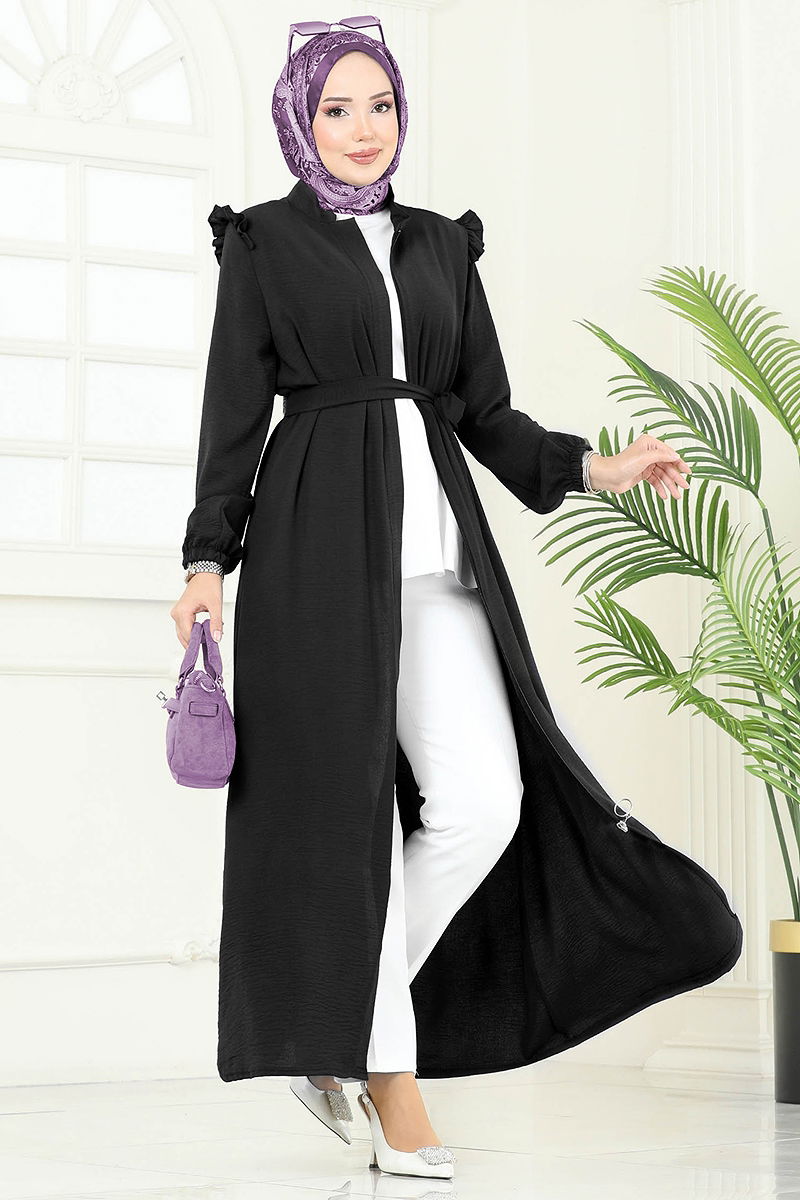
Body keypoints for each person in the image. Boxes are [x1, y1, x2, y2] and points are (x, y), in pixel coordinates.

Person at [169, 18, 723, 1184]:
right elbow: (231, 418)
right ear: (299, 120)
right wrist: (205, 561)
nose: (361, 128)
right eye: (335, 109)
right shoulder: (263, 243)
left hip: (440, 566)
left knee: (484, 801)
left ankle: (334, 1035)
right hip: (317, 561)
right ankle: (389, 1076)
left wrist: (596, 466)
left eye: (378, 105)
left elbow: (485, 413)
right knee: (344, 827)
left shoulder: (437, 244)